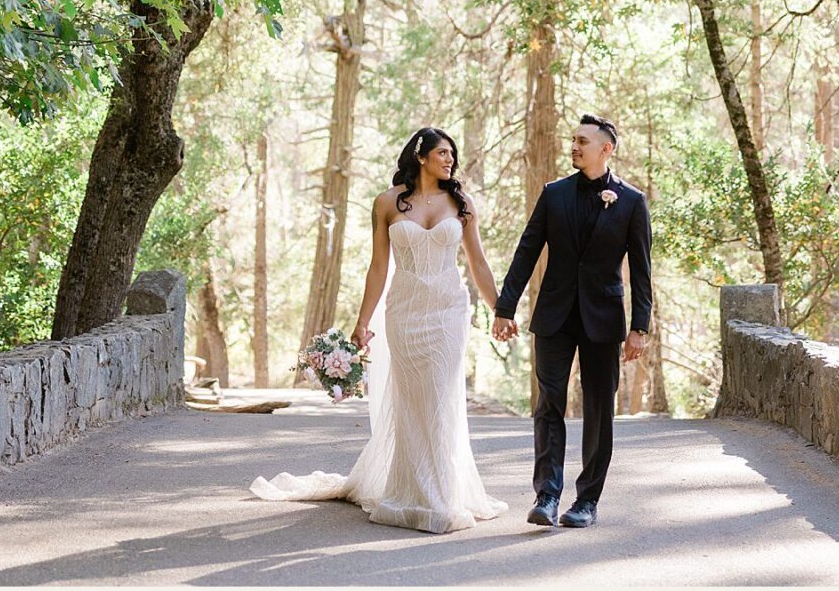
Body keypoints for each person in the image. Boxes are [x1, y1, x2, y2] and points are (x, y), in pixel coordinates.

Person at [249, 127, 509, 533]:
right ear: (421, 156)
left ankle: (440, 497)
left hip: (447, 313)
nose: (449, 160)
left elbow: (478, 263)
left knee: (441, 400)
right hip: (403, 314)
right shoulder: (387, 203)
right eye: (442, 153)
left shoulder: (462, 203)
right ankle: (410, 492)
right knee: (411, 403)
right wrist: (363, 321)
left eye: (452, 155)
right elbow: (378, 267)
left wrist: (500, 310)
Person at [490, 113, 653, 529]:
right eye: (573, 140)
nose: (575, 146)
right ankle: (546, 495)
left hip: (604, 319)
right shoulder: (554, 194)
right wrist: (505, 307)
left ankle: (587, 502)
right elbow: (526, 251)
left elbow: (642, 270)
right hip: (554, 316)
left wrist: (640, 327)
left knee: (600, 410)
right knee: (549, 404)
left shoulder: (631, 201)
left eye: (583, 141)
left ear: (606, 148)